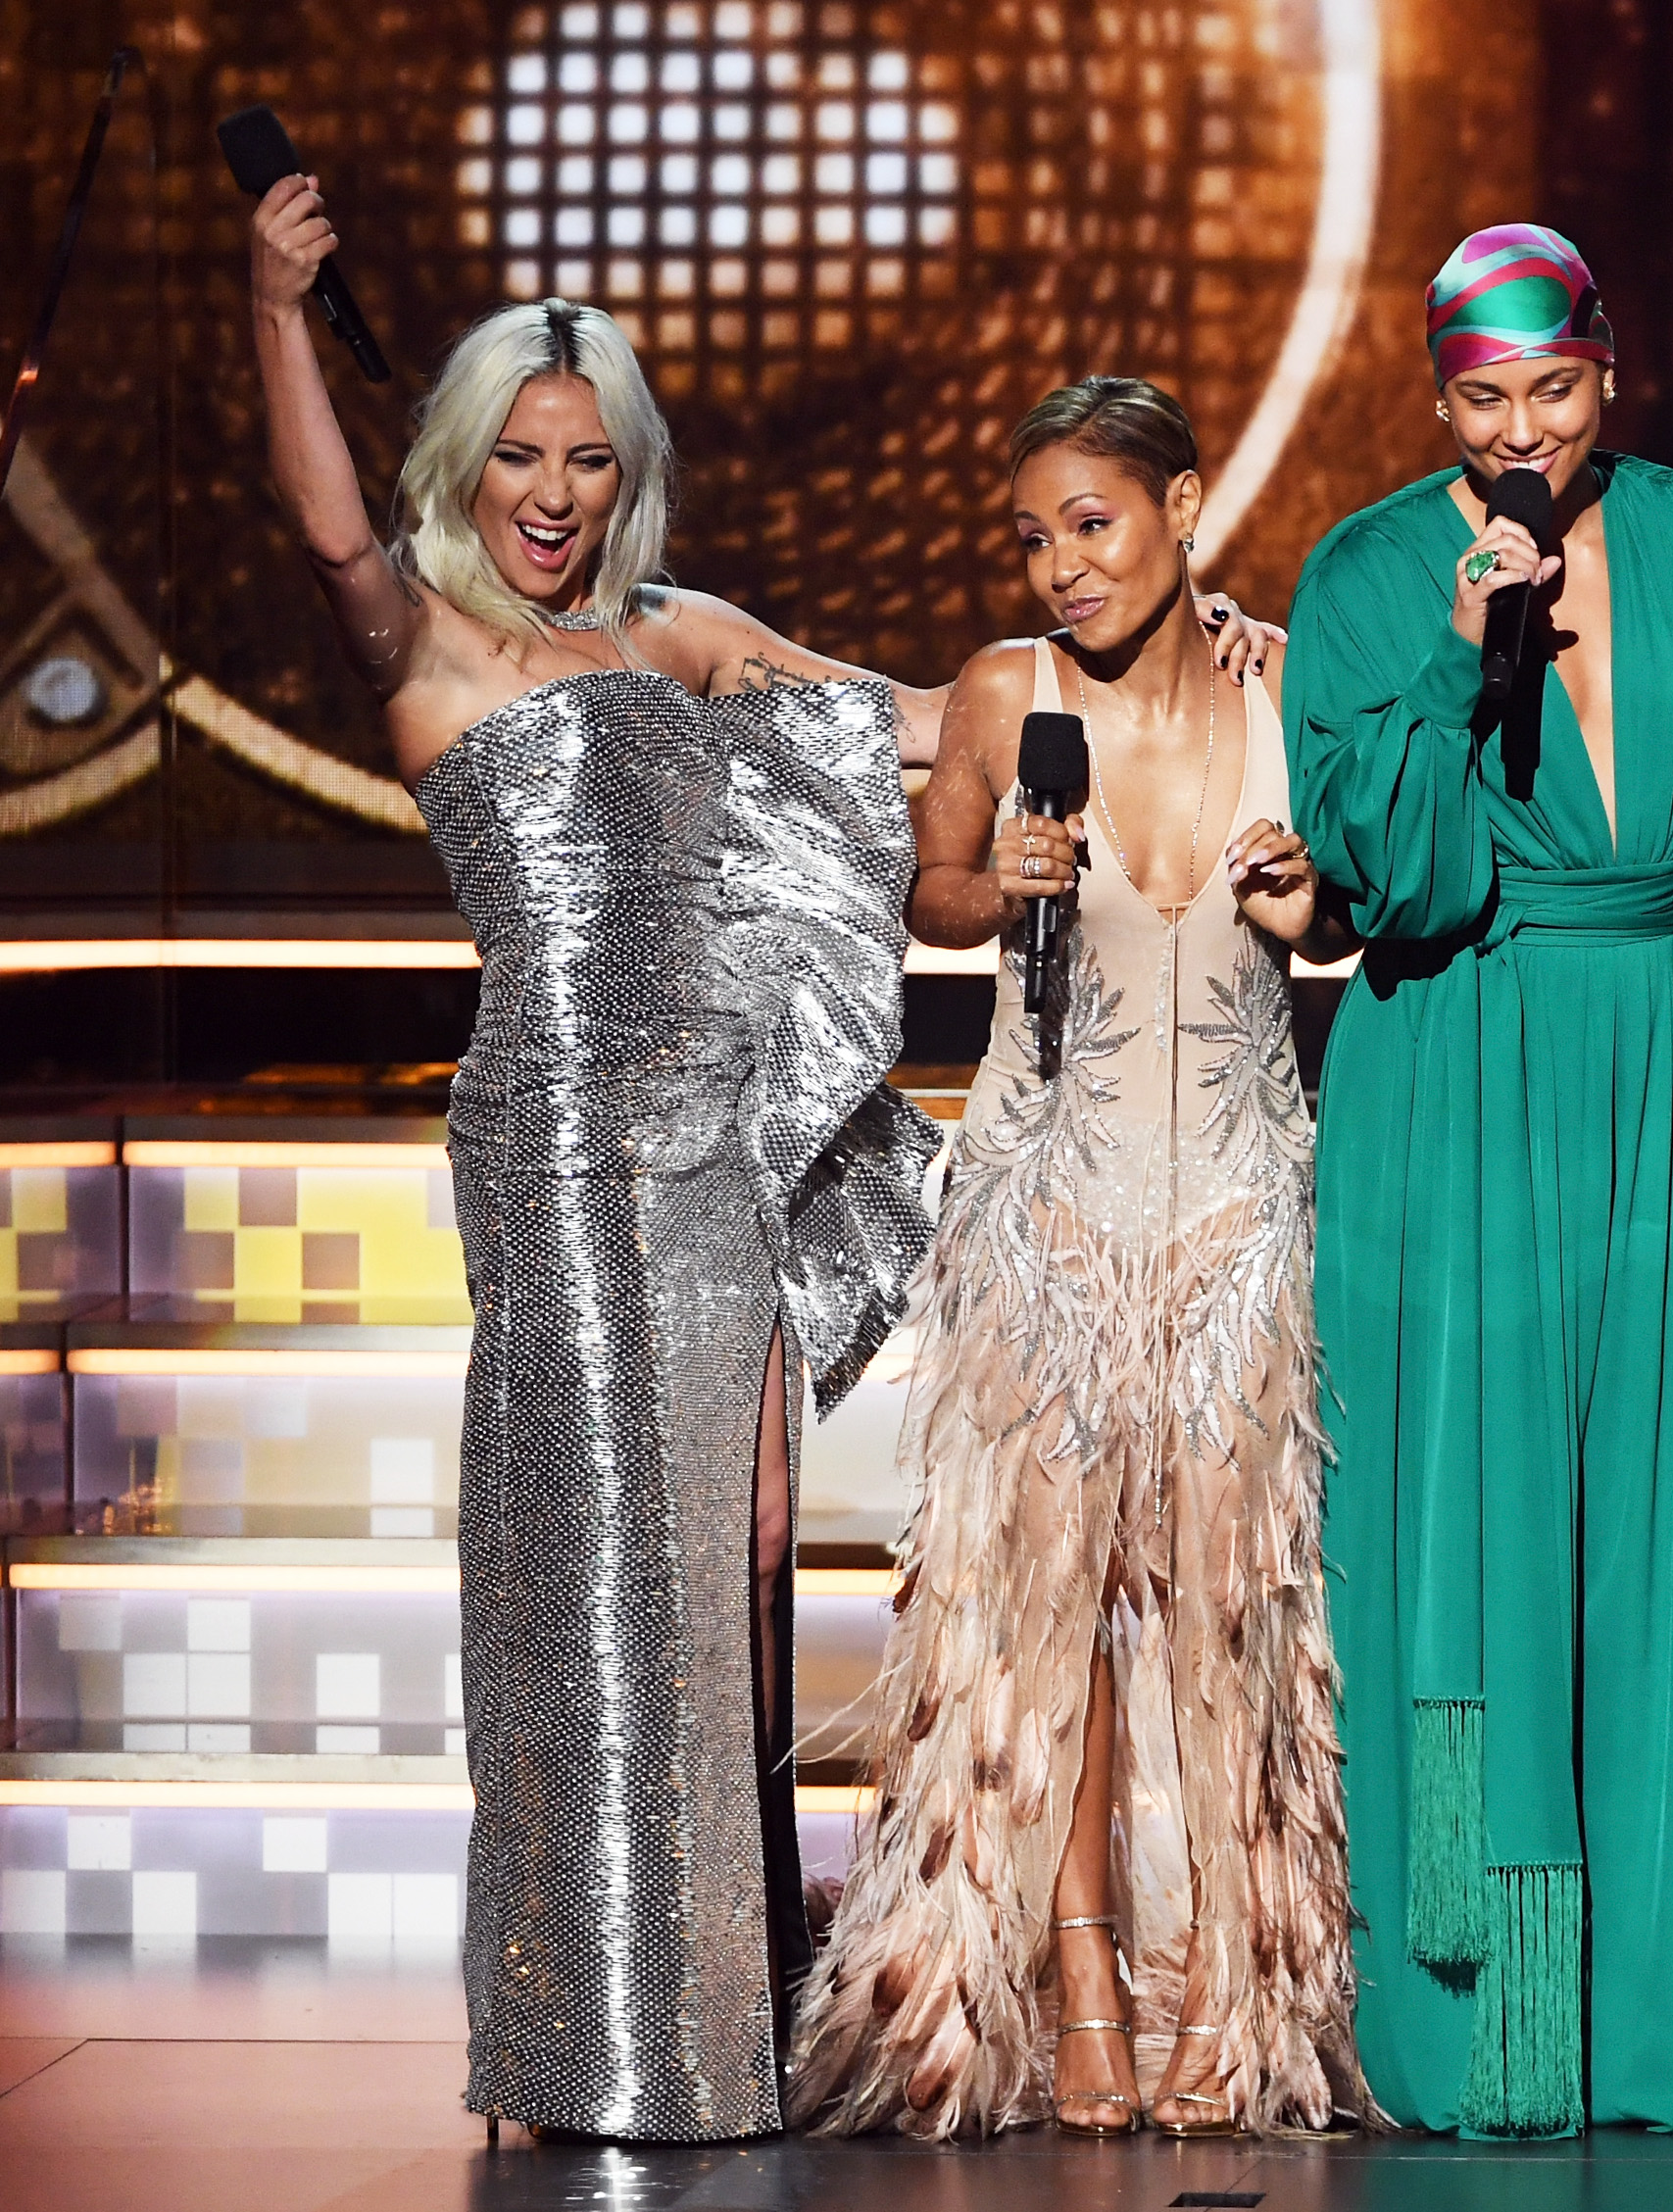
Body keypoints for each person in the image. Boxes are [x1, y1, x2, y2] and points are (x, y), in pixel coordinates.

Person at [247, 181, 946, 2138]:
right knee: (594, 1570)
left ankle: (725, 2022)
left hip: (717, 1143)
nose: (550, 492)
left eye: (586, 459)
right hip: (557, 1146)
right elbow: (321, 528)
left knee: (730, 1558)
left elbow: (906, 718)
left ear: (624, 474)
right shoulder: (433, 646)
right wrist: (272, 302)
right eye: (517, 459)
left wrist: (1186, 672)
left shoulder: (681, 633)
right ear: (464, 468)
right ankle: (598, 2043)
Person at [1284, 223, 1673, 2138]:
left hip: (1656, 1060)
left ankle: (1658, 2041)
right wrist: (1459, 651)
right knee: (1467, 1562)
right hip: (1458, 1068)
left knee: (1654, 1551)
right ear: (1439, 402)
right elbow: (1393, 881)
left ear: (1611, 371)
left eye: (1560, 393)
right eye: (1486, 402)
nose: (1525, 435)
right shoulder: (1366, 572)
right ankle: (1490, 2032)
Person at [786, 376, 1360, 2142]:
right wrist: (998, 878)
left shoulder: (1288, 686)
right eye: (1031, 535)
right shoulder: (999, 695)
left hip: (1248, 1208)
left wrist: (1307, 901)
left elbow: (1349, 907)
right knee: (1057, 1608)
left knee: (1222, 1589)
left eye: (1090, 524)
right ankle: (1090, 1975)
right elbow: (926, 889)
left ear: (1183, 507)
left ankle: (1239, 1983)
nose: (1057, 566)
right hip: (1045, 1202)